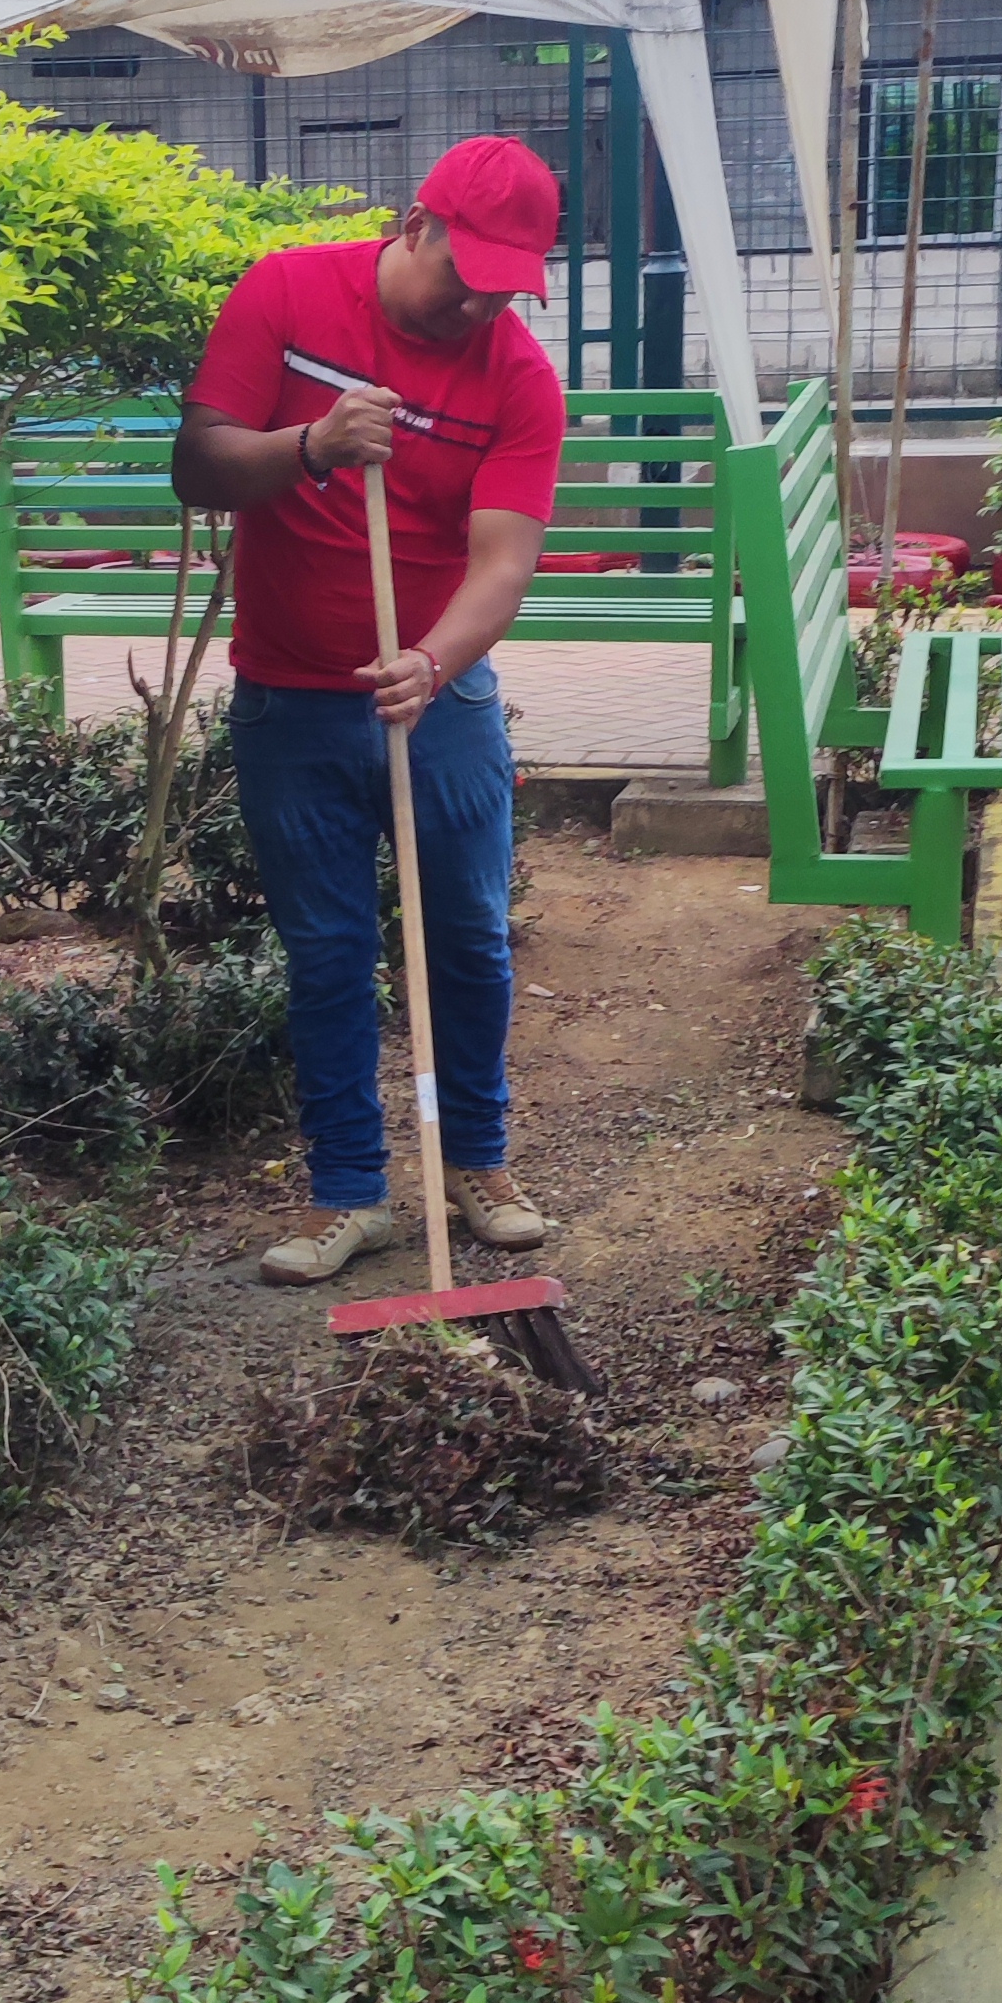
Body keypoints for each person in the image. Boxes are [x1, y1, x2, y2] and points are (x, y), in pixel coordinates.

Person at [175, 132, 566, 1286]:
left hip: (440, 699)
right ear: (414, 224)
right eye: (467, 275)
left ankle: (475, 1163)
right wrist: (314, 443)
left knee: (470, 940)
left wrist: (435, 661)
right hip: (289, 699)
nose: (479, 304)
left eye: (506, 287)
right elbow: (198, 464)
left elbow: (503, 561)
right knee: (330, 953)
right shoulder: (287, 293)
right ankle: (351, 1192)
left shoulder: (517, 377)